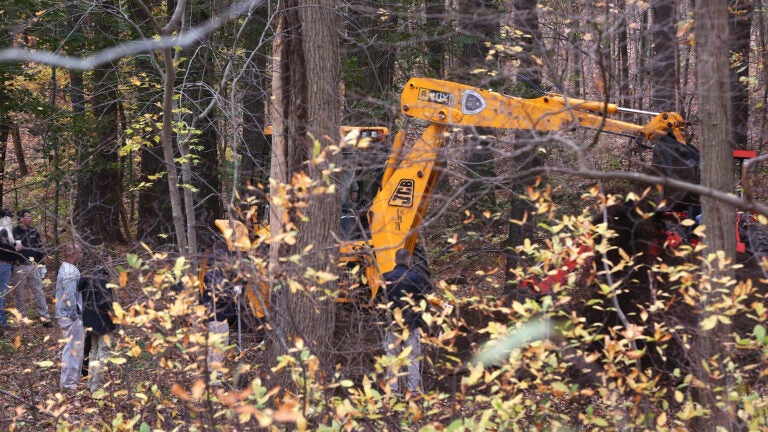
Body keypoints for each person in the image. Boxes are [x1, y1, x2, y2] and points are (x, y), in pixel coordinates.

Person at [382, 248, 431, 396]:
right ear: (409, 261)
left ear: (395, 261)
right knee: (413, 358)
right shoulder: (415, 278)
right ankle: (413, 391)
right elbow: (422, 300)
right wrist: (423, 321)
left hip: (393, 324)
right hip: (411, 323)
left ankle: (393, 390)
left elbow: (378, 300)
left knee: (392, 357)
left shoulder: (386, 277)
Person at [78, 253, 116, 393]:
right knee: (103, 353)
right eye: (110, 261)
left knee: (94, 351)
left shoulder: (88, 278)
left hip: (90, 321)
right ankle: (97, 387)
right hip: (103, 323)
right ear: (104, 262)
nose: (111, 265)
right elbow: (107, 304)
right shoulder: (103, 280)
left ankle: (90, 384)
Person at [200, 244, 237, 382]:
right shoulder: (213, 275)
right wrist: (232, 293)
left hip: (217, 316)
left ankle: (211, 375)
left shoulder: (216, 275)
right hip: (217, 317)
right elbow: (219, 294)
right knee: (218, 346)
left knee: (215, 347)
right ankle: (213, 377)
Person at [12, 209, 53, 327]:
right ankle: (21, 320)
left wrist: (42, 264)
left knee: (39, 292)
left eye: (31, 216)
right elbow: (8, 250)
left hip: (33, 266)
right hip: (19, 266)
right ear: (20, 218)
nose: (30, 218)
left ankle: (45, 319)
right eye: (28, 216)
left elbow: (39, 248)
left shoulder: (34, 231)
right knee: (19, 294)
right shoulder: (13, 232)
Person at [55, 242, 84, 391]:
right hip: (69, 316)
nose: (81, 255)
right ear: (72, 254)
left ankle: (71, 382)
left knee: (73, 347)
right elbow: (70, 295)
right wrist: (74, 314)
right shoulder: (70, 272)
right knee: (72, 349)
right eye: (80, 253)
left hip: (65, 314)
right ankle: (68, 383)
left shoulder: (67, 268)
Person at [0, 209, 24, 334]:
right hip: (3, 264)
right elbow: (5, 250)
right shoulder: (3, 231)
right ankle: (2, 324)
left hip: (5, 264)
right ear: (5, 218)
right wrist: (16, 248)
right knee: (2, 294)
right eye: (10, 218)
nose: (11, 220)